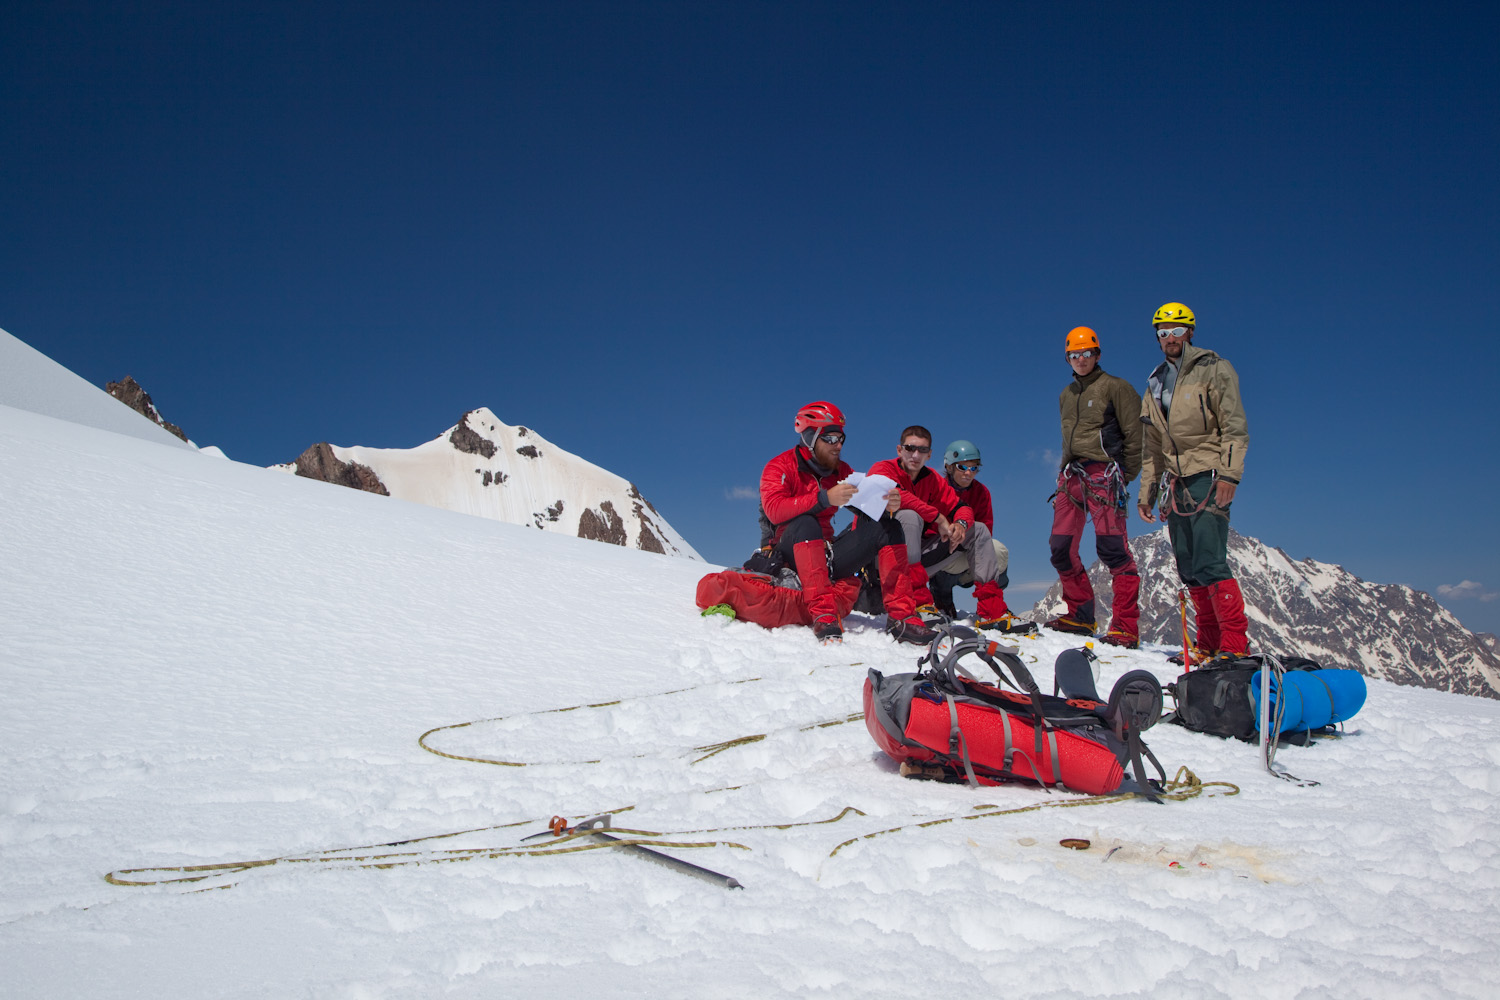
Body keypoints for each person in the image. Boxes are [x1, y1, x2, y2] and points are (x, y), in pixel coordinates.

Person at [758, 401, 937, 645]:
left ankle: (902, 617)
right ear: (810, 437)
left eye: (841, 438)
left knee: (888, 527)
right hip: (790, 555)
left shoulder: (841, 471)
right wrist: (824, 498)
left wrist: (887, 503)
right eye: (830, 438)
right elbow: (775, 510)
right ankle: (823, 613)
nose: (838, 445)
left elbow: (866, 504)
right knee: (806, 522)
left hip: (826, 557)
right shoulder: (779, 466)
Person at [1137, 303, 1250, 657]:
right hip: (1176, 485)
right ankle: (1209, 645)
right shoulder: (1155, 383)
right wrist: (1147, 494)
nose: (1168, 338)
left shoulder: (1214, 369)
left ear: (1189, 332)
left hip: (1209, 475)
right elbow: (1152, 446)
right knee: (1189, 566)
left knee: (1211, 562)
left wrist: (1229, 474)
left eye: (1175, 330)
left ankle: (1234, 647)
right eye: (1161, 333)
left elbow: (1234, 425)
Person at [866, 426, 1034, 634]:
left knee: (979, 529)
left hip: (920, 560)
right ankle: (918, 603)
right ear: (900, 450)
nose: (916, 455)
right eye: (910, 448)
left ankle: (992, 611)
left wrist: (960, 526)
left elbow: (961, 507)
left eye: (922, 450)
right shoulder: (883, 469)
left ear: (930, 454)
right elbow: (895, 495)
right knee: (909, 516)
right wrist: (938, 518)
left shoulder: (933, 479)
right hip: (882, 559)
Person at [1044, 326, 1144, 647]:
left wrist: (1123, 475)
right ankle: (1080, 615)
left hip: (1105, 475)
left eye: (1087, 353)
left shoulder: (1116, 387)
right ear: (1067, 358)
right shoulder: (1066, 395)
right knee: (1060, 548)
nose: (1081, 359)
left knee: (1113, 550)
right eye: (1075, 354)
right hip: (1071, 475)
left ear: (1097, 354)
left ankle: (1125, 627)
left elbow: (1135, 434)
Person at [925, 440, 1036, 634]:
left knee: (998, 550)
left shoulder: (981, 493)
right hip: (936, 553)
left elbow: (985, 532)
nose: (969, 473)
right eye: (962, 467)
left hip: (963, 550)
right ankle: (941, 593)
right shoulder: (936, 486)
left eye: (974, 468)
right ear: (949, 467)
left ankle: (991, 607)